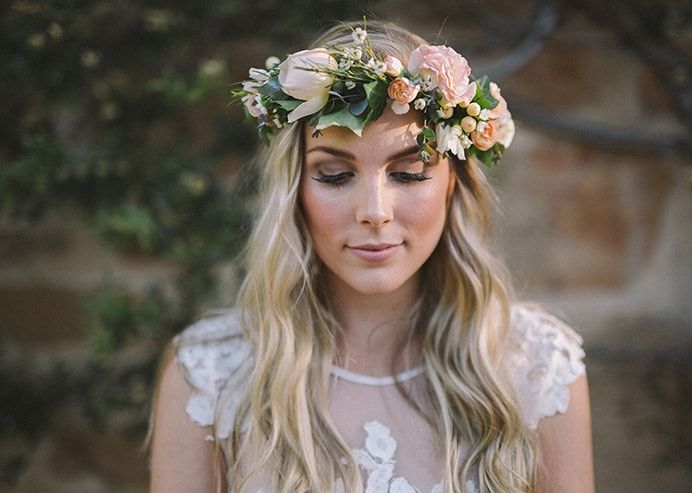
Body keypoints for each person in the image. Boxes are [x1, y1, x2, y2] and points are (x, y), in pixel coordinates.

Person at [148, 19, 594, 493]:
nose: (375, 213)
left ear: (453, 186)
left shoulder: (537, 369)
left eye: (409, 173)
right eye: (336, 176)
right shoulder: (209, 377)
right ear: (294, 189)